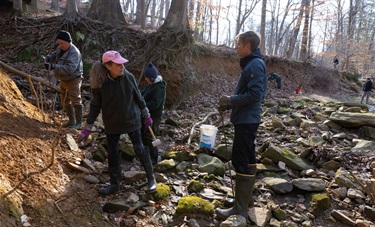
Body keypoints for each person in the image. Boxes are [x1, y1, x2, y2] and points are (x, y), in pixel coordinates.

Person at [77, 50, 156, 195]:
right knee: (112, 153)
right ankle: (115, 184)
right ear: (108, 66)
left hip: (132, 119)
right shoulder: (100, 83)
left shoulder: (129, 77)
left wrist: (146, 115)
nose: (122, 67)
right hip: (112, 122)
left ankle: (151, 179)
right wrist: (87, 128)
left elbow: (138, 98)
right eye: (118, 65)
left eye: (122, 64)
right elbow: (95, 106)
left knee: (139, 148)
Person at [216, 31, 267, 219]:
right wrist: (229, 104)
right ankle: (245, 199)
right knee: (249, 156)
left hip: (247, 120)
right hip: (246, 118)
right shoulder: (252, 63)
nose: (236, 47)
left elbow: (255, 95)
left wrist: (231, 99)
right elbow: (248, 94)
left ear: (248, 46)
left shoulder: (255, 64)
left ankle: (240, 208)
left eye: (239, 44)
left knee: (240, 160)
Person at [44, 30, 83, 129]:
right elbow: (54, 55)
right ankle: (71, 121)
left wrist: (53, 66)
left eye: (62, 43)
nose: (60, 45)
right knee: (65, 100)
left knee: (76, 100)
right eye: (59, 43)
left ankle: (79, 123)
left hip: (74, 79)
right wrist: (48, 58)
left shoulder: (74, 52)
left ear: (68, 42)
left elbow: (70, 68)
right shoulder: (60, 48)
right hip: (63, 79)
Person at [141, 62, 166, 165]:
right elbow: (144, 94)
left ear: (151, 78)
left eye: (146, 78)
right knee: (144, 135)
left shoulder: (159, 88)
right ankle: (146, 156)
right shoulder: (151, 85)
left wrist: (143, 105)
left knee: (150, 136)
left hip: (155, 116)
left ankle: (154, 159)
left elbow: (155, 104)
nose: (145, 79)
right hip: (147, 114)